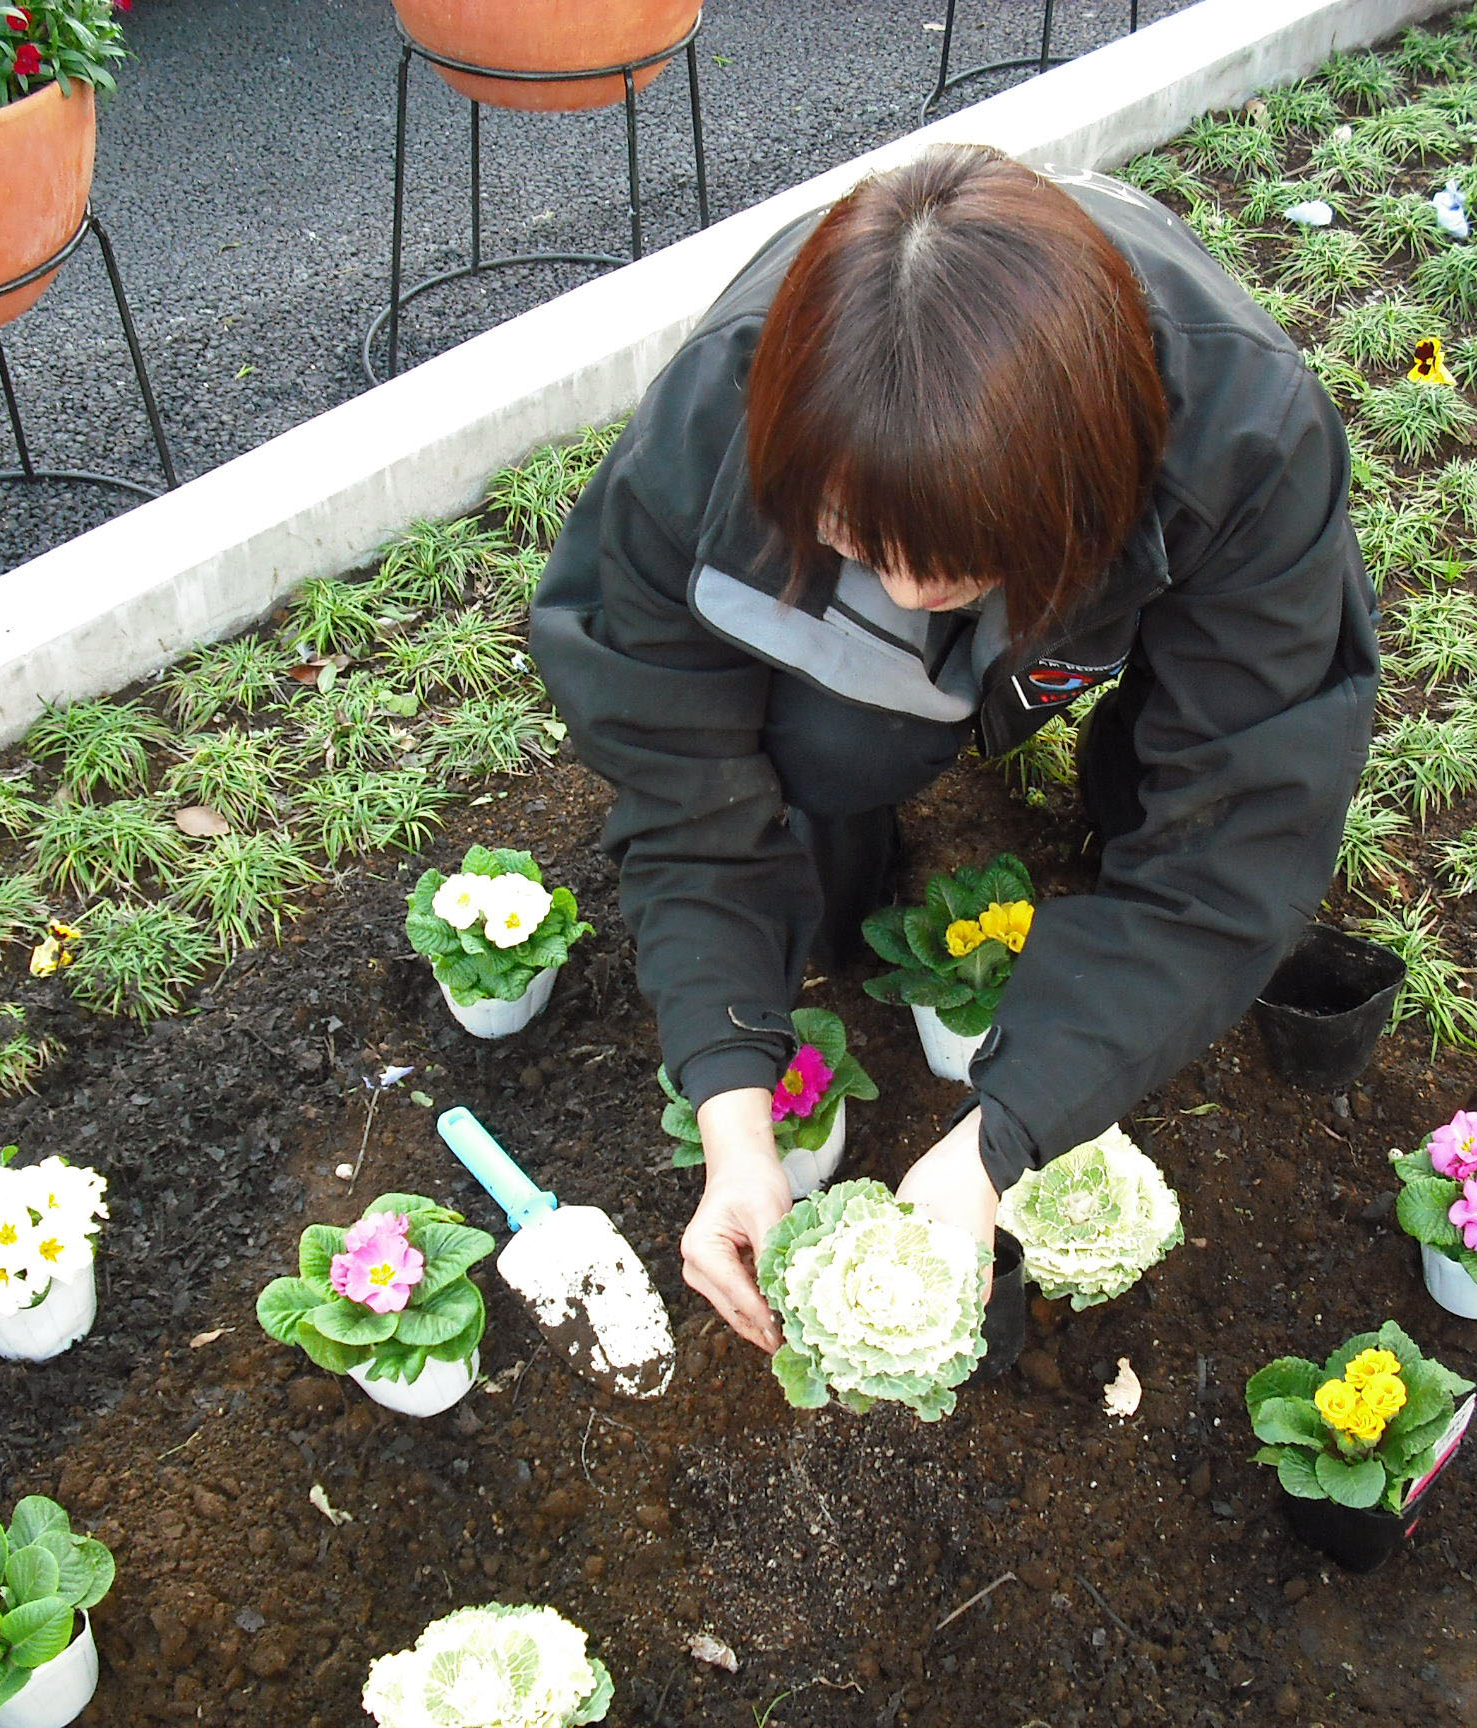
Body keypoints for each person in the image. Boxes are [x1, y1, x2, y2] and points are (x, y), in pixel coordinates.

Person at [532, 144, 1377, 1352]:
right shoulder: (715, 425)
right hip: (978, 519)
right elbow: (679, 781)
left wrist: (1000, 1136)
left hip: (1133, 523)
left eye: (964, 568)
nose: (921, 596)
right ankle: (856, 800)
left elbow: (1235, 842)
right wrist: (731, 1108)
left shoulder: (1244, 440)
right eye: (859, 543)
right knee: (829, 752)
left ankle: (1096, 724)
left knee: (1171, 787)